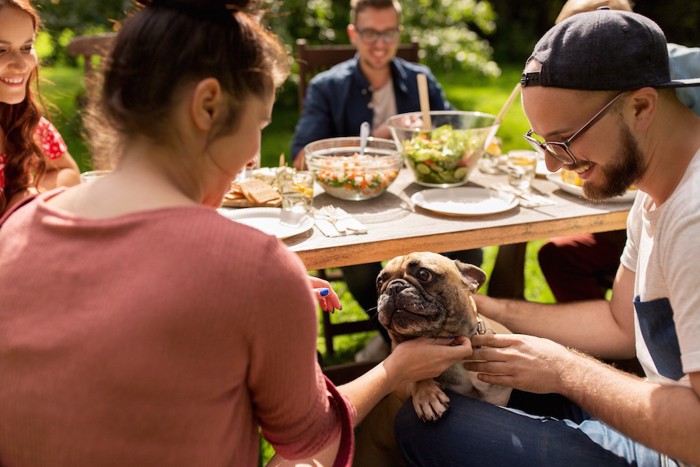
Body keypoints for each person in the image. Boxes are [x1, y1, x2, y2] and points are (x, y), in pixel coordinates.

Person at [0, 0, 476, 465]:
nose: (253, 156)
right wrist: (396, 369)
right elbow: (311, 440)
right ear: (208, 105)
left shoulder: (16, 224)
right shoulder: (257, 269)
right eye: (259, 126)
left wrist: (259, 291)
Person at [394, 9, 700, 465]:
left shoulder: (693, 218)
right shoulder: (655, 192)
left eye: (565, 140)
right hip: (662, 420)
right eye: (542, 144)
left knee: (421, 427)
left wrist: (564, 370)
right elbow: (619, 325)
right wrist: (483, 306)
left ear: (640, 107)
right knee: (463, 397)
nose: (554, 166)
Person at [290, 0, 482, 361]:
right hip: (360, 212)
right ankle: (392, 331)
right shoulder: (327, 87)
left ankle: (460, 336)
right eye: (370, 33)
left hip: (423, 203)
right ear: (353, 33)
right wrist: (377, 140)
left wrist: (460, 144)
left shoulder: (420, 79)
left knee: (469, 247)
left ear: (399, 32)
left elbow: (450, 130)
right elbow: (302, 155)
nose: (380, 42)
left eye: (388, 32)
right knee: (362, 264)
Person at [539, 0, 700, 304]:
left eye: (578, 41)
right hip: (641, 221)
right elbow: (621, 327)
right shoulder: (646, 197)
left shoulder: (689, 210)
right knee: (559, 254)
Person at [0, 0, 80, 216]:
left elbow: (69, 171)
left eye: (26, 47)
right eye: (1, 50)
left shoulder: (27, 125)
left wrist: (29, 191)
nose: (21, 64)